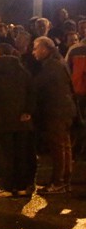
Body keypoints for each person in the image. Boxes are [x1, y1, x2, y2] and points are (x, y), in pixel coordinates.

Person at [0, 43, 36, 197]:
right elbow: (31, 91)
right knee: (21, 152)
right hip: (21, 120)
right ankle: (22, 185)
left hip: (1, 119)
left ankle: (7, 186)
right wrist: (27, 111)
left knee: (5, 153)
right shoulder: (22, 70)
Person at [32, 36, 77, 194]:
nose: (33, 52)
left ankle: (58, 181)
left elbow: (39, 86)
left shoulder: (52, 66)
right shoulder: (57, 62)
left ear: (44, 48)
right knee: (64, 145)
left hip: (56, 111)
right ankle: (64, 179)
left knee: (58, 147)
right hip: (64, 110)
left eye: (35, 48)